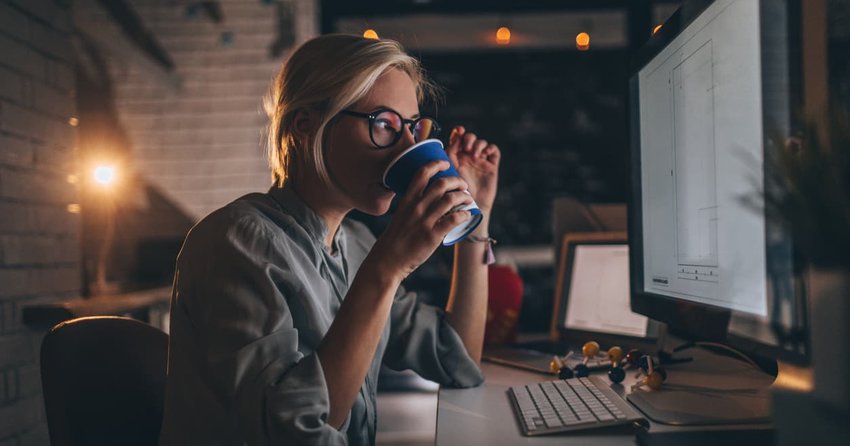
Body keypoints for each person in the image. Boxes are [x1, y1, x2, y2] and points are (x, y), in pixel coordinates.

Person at [159, 34, 501, 446]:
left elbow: (458, 360)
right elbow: (292, 432)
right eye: (384, 125)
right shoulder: (234, 243)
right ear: (306, 126)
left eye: (412, 127)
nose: (409, 148)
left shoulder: (354, 243)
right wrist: (387, 268)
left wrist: (474, 223)